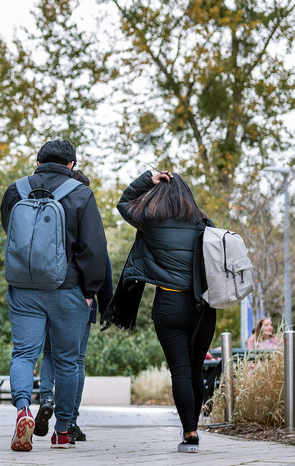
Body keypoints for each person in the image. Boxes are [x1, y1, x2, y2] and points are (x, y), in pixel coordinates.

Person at [0, 139, 108, 451]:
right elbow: (94, 248)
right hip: (68, 289)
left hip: (24, 288)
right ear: (71, 164)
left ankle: (22, 410)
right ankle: (62, 431)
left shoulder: (15, 190)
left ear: (38, 161)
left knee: (23, 354)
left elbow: (13, 234)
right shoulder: (81, 194)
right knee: (68, 360)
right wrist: (90, 291)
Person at [104, 168, 216, 454]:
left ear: (158, 194)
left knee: (179, 370)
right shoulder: (204, 223)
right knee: (195, 370)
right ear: (187, 195)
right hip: (203, 308)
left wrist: (147, 178)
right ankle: (194, 427)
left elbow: (123, 203)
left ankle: (189, 433)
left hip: (169, 304)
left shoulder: (150, 221)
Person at [34, 169, 113, 443]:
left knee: (49, 353)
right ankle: (69, 422)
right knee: (74, 360)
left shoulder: (51, 216)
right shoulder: (86, 215)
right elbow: (102, 262)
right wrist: (105, 304)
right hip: (80, 297)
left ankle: (46, 397)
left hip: (46, 292)